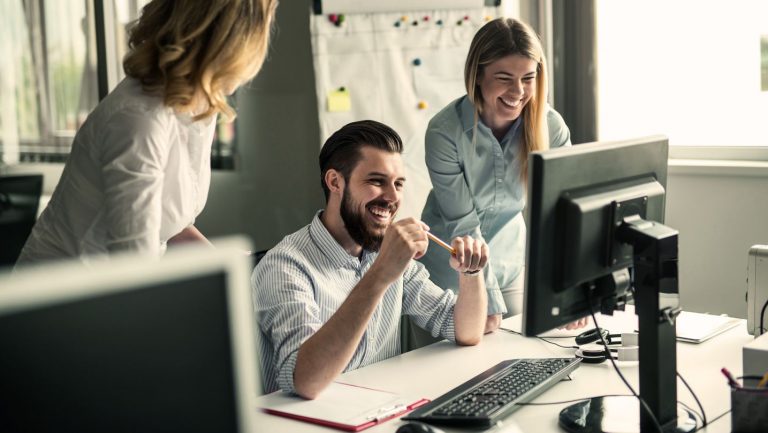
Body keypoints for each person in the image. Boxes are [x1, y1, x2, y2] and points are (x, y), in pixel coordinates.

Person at [16, 0, 277, 265]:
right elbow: (136, 265)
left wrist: (232, 266)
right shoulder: (139, 120)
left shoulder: (194, 103)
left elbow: (168, 224)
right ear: (234, 41)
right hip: (64, 292)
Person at [252, 120, 498, 399]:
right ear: (334, 182)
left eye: (398, 184)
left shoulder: (385, 251)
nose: (393, 197)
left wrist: (471, 273)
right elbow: (305, 380)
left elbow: (465, 330)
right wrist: (380, 275)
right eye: (376, 181)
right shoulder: (283, 266)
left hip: (379, 410)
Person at [420, 18, 581, 321]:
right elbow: (463, 225)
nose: (518, 91)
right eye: (504, 78)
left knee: (524, 355)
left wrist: (572, 285)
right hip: (449, 273)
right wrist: (488, 303)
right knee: (454, 365)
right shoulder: (445, 132)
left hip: (510, 267)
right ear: (478, 75)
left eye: (528, 78)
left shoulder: (550, 127)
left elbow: (562, 213)